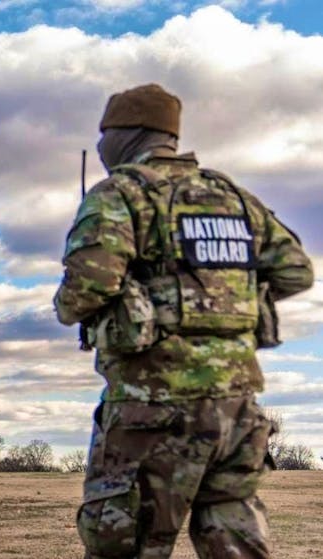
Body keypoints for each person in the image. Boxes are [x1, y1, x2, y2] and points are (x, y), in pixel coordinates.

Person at [54, 83, 314, 558]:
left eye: (104, 134)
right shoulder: (231, 196)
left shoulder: (121, 193)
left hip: (150, 410)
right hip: (235, 413)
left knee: (128, 544)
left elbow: (85, 290)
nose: (100, 146)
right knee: (236, 545)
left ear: (126, 134)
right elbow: (295, 269)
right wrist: (221, 298)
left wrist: (133, 300)